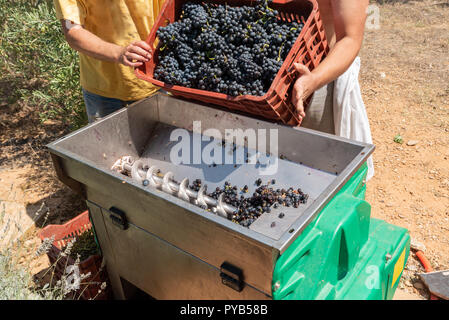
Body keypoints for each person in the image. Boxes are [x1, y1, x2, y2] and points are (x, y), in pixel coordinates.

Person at [291, 0, 374, 179]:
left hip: (315, 89)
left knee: (312, 177)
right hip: (252, 87)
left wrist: (313, 80)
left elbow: (350, 38)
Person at [53, 0, 164, 123]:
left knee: (158, 139)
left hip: (153, 81)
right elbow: (73, 32)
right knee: (108, 141)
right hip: (102, 89)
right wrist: (119, 53)